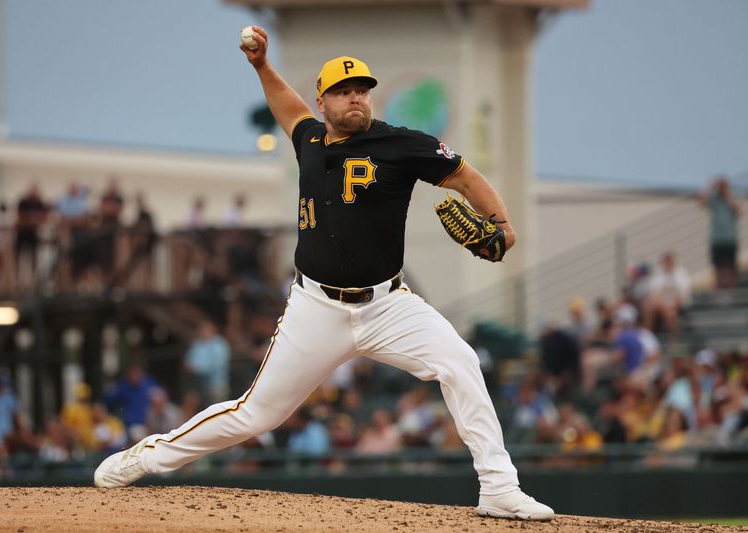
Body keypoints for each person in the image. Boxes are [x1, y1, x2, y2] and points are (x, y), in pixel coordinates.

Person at [94, 26, 554, 521]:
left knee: (460, 362)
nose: (356, 98)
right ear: (324, 100)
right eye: (343, 91)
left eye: (362, 90)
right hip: (315, 305)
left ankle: (499, 487)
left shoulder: (400, 144)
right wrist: (262, 66)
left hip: (387, 304)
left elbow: (464, 175)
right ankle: (146, 457)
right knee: (257, 414)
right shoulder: (309, 138)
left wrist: (502, 225)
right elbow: (286, 106)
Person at [699, 176, 742, 290]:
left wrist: (727, 196)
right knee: (717, 267)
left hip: (730, 239)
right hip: (716, 239)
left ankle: (733, 293)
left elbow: (739, 211)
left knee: (731, 267)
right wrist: (710, 186)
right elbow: (702, 202)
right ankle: (718, 293)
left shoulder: (732, 197)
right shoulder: (714, 198)